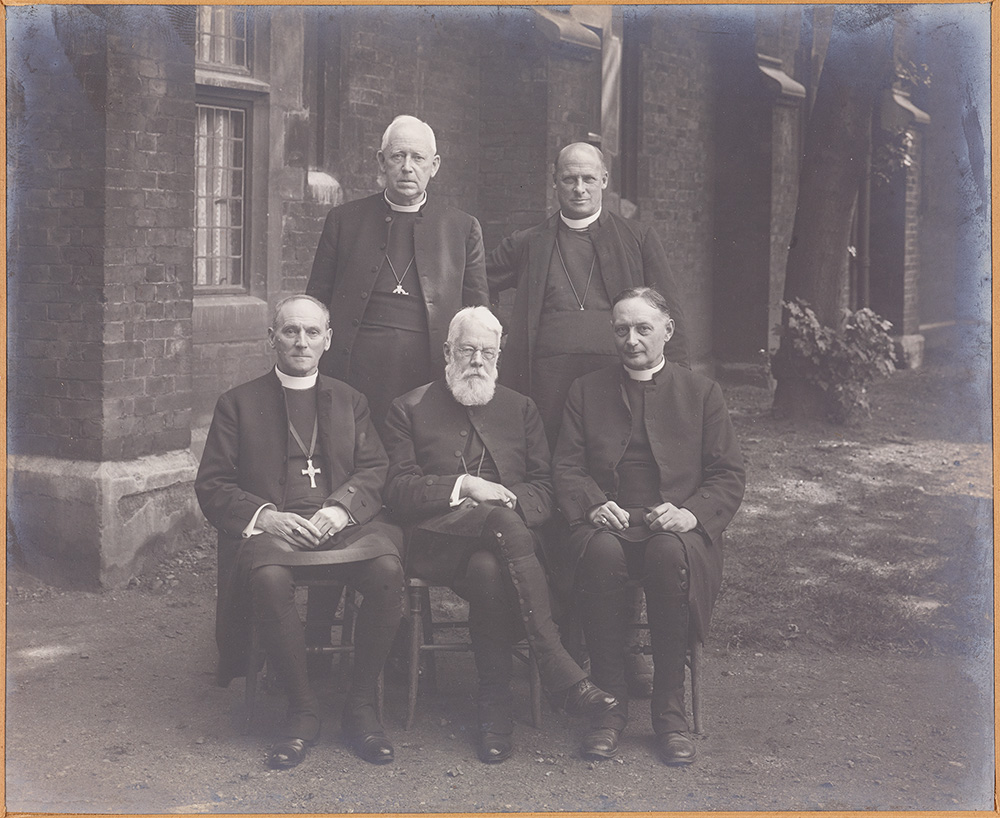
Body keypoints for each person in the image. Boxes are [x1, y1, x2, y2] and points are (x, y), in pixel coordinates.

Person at [381, 306, 618, 764]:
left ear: (499, 356)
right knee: (499, 527)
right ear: (448, 351)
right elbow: (397, 489)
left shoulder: (520, 407)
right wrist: (463, 487)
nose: (477, 361)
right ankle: (555, 664)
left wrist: (505, 501)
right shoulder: (408, 407)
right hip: (436, 541)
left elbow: (546, 487)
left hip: (504, 547)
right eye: (468, 350)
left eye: (487, 352)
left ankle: (495, 712)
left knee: (490, 567)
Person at [195, 295, 405, 770]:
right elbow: (212, 484)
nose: (301, 342)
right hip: (277, 528)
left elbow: (375, 468)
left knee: (387, 569)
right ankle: (302, 709)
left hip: (340, 524)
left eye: (312, 333)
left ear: (328, 340)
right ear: (272, 339)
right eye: (290, 331)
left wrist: (342, 507)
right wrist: (266, 515)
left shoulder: (351, 400)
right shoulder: (237, 403)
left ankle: (360, 708)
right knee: (268, 579)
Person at [552, 287, 745, 765]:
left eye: (643, 328)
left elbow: (728, 473)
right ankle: (610, 707)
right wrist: (594, 505)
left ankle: (669, 713)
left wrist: (690, 513)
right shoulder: (586, 389)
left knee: (667, 554)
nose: (631, 340)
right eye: (621, 330)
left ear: (667, 331)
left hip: (674, 528)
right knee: (599, 553)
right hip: (607, 524)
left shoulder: (701, 392)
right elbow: (567, 469)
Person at [486, 141, 690, 446]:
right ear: (554, 182)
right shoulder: (528, 242)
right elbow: (477, 278)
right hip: (546, 381)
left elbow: (669, 311)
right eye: (569, 179)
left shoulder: (637, 238)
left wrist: (677, 382)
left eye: (589, 179)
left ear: (604, 180)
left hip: (617, 374)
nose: (579, 189)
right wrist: (495, 328)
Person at [306, 114, 490, 434]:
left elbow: (477, 315)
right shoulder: (344, 221)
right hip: (354, 369)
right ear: (381, 161)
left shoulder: (461, 228)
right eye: (398, 156)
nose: (407, 167)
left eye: (418, 158)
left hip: (428, 373)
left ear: (433, 165)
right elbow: (316, 303)